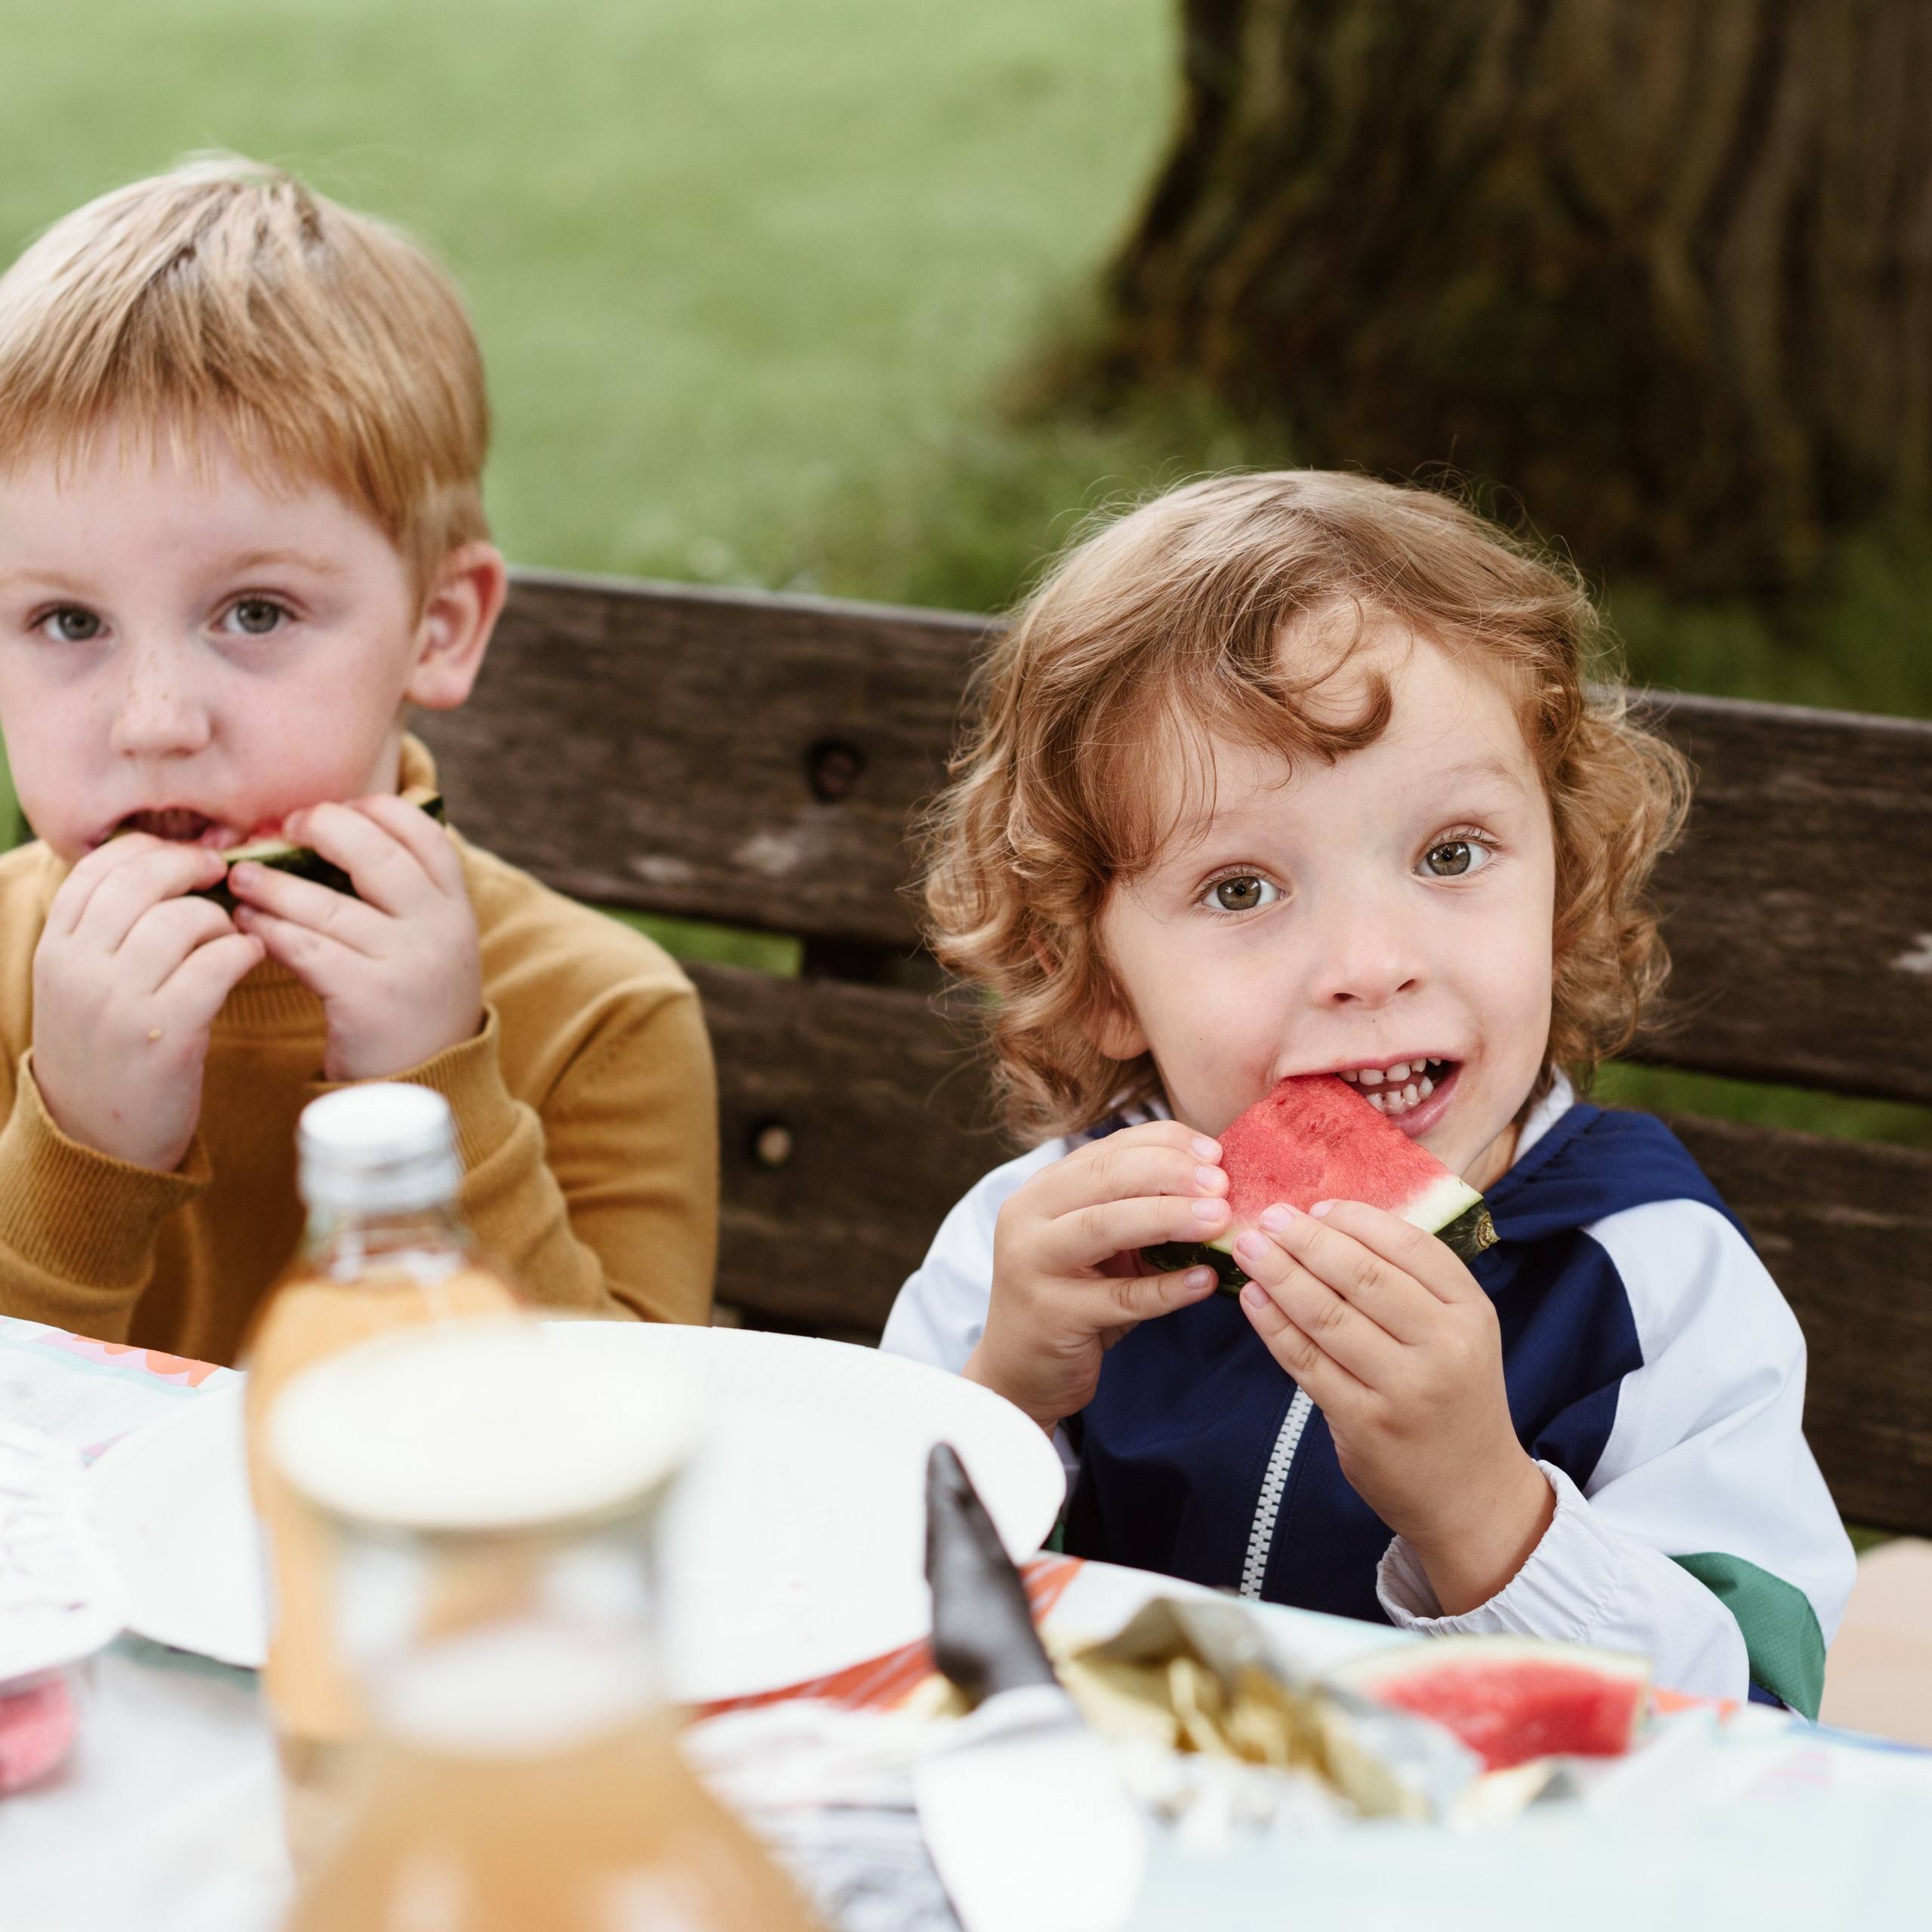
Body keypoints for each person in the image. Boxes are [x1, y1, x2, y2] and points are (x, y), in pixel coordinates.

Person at [881, 472, 1854, 1713]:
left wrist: (1485, 1511)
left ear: (1560, 893)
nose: (1371, 964)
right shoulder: (1030, 1253)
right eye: (1242, 889)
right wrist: (1006, 1397)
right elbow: (847, 1613)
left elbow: (1752, 1714)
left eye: (1452, 854)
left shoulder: (1653, 1281)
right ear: (1103, 975)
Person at [0, 158, 717, 1363]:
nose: (154, 720)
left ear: (438, 625)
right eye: (68, 622)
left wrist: (440, 1106)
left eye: (256, 613)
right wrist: (81, 1154)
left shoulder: (599, 1017)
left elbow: (614, 1434)